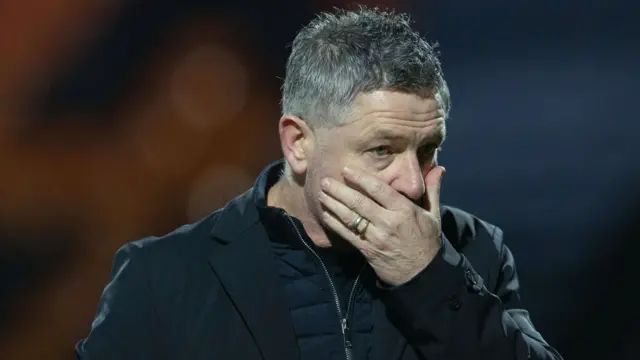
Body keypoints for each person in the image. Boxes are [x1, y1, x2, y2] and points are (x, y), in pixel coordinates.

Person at [76, 7, 562, 360]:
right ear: (298, 143)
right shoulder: (163, 276)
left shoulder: (473, 254)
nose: (413, 182)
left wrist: (429, 279)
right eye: (382, 151)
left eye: (428, 149)